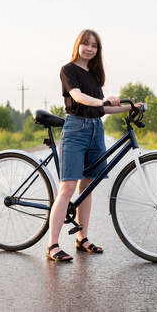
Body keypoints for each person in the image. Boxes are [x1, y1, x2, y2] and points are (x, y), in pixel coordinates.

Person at [46, 29, 142, 261]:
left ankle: (82, 238)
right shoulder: (68, 70)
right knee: (68, 188)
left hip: (96, 130)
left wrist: (131, 106)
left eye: (94, 46)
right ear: (78, 45)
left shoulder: (95, 76)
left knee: (87, 188)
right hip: (76, 129)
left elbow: (103, 109)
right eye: (86, 44)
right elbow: (78, 97)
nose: (90, 48)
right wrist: (102, 100)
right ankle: (52, 245)